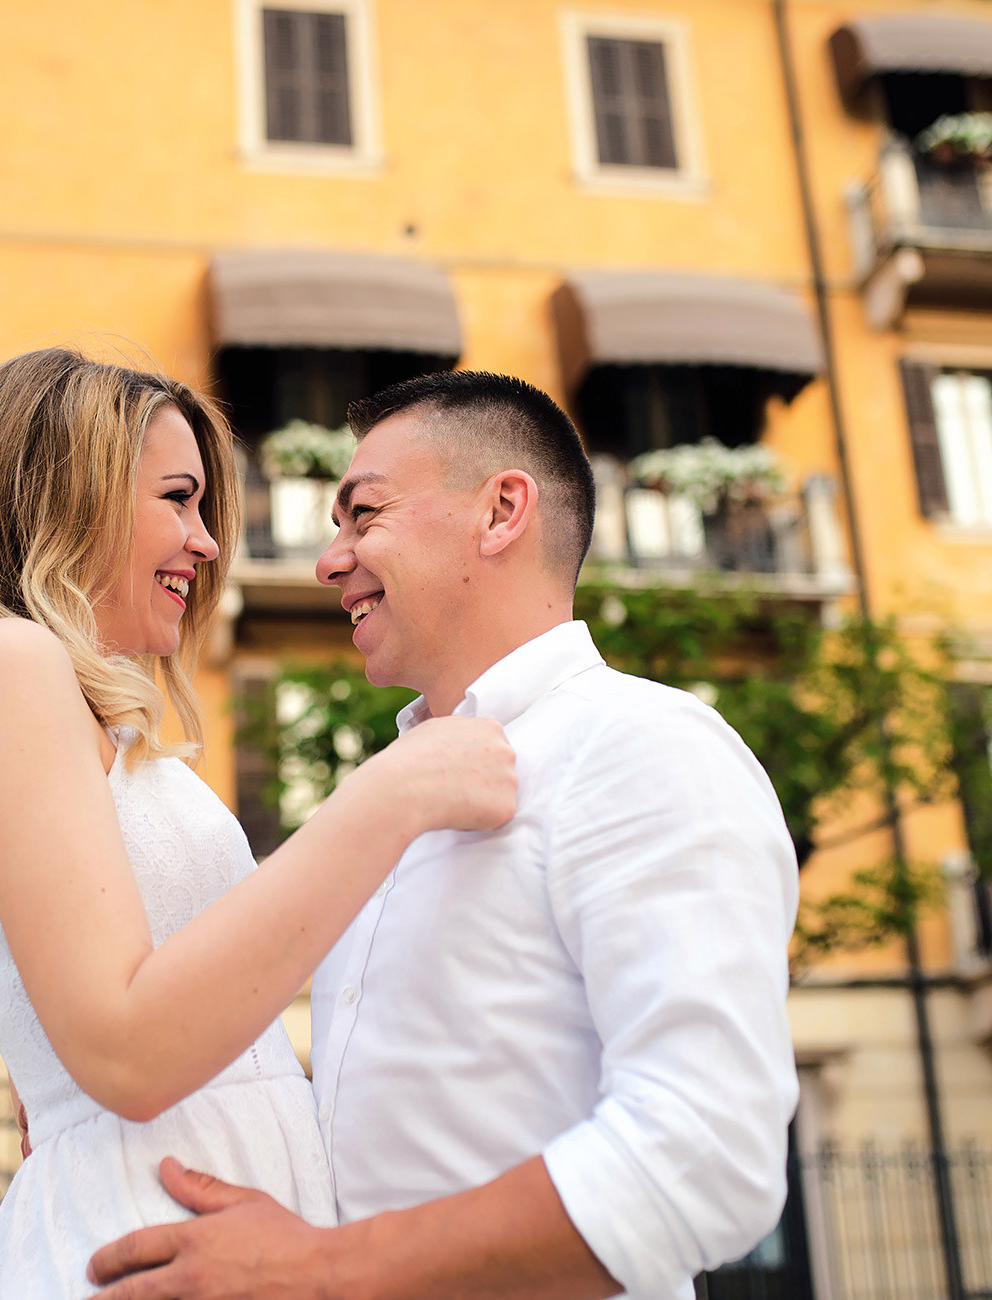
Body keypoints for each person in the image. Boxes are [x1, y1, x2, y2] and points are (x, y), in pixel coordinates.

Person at [86, 371, 801, 1300]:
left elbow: (707, 1155)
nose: (328, 561)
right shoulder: (391, 798)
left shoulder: (645, 748)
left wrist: (324, 1269)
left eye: (363, 515)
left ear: (502, 511)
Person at [0, 349, 518, 1298]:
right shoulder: (6, 661)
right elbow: (125, 1046)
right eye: (178, 498)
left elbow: (111, 1004)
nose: (205, 545)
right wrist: (390, 793)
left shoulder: (52, 702)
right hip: (148, 1233)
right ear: (64, 497)